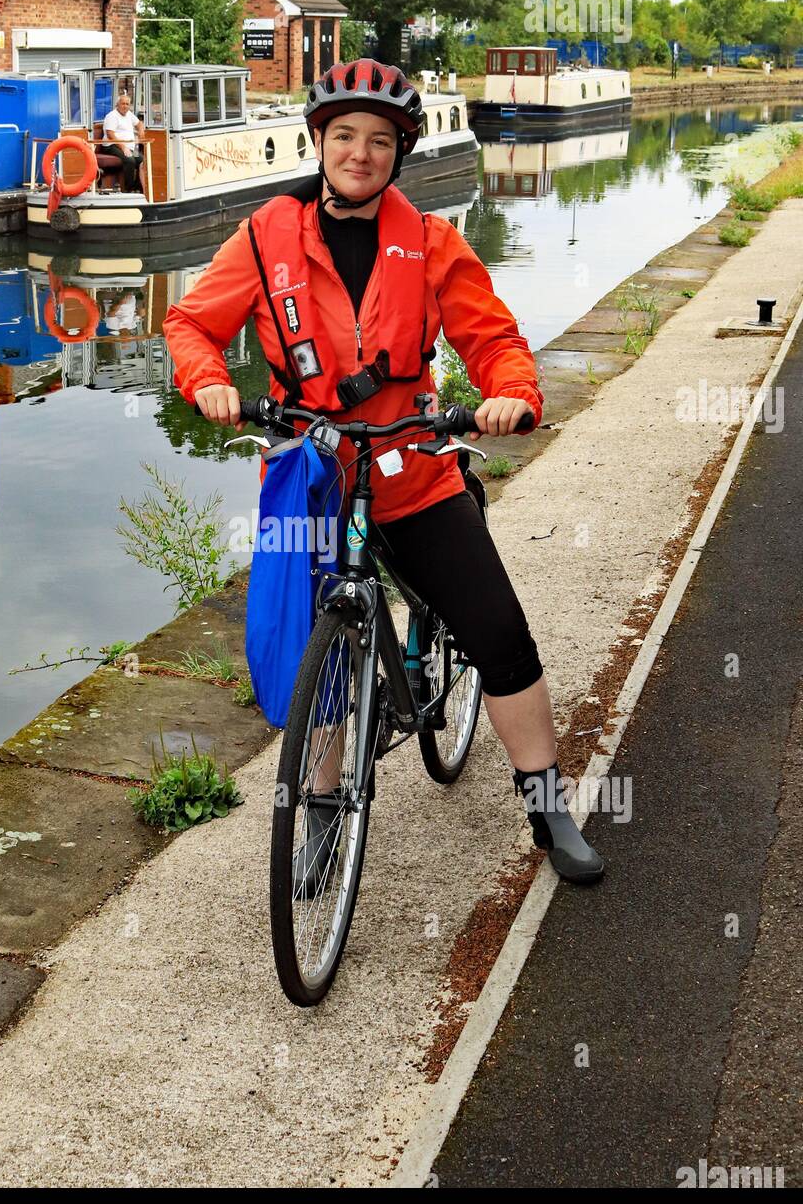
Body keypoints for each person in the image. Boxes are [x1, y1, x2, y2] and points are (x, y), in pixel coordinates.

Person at [162, 59, 604, 887]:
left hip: (414, 467)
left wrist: (509, 393)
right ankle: (323, 814)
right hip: (315, 475)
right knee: (310, 652)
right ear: (319, 142)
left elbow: (494, 341)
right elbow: (190, 323)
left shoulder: (434, 243)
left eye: (377, 141)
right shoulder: (264, 238)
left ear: (399, 153)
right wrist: (211, 381)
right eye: (343, 137)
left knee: (499, 634)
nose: (358, 154)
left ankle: (546, 802)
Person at [100, 91, 144, 194]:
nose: (125, 106)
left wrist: (141, 132)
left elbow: (139, 124)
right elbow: (110, 135)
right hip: (111, 145)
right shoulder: (112, 116)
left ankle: (138, 187)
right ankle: (129, 189)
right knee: (130, 160)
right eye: (123, 103)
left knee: (142, 161)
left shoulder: (129, 114)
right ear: (117, 105)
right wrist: (123, 147)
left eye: (127, 104)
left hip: (130, 146)